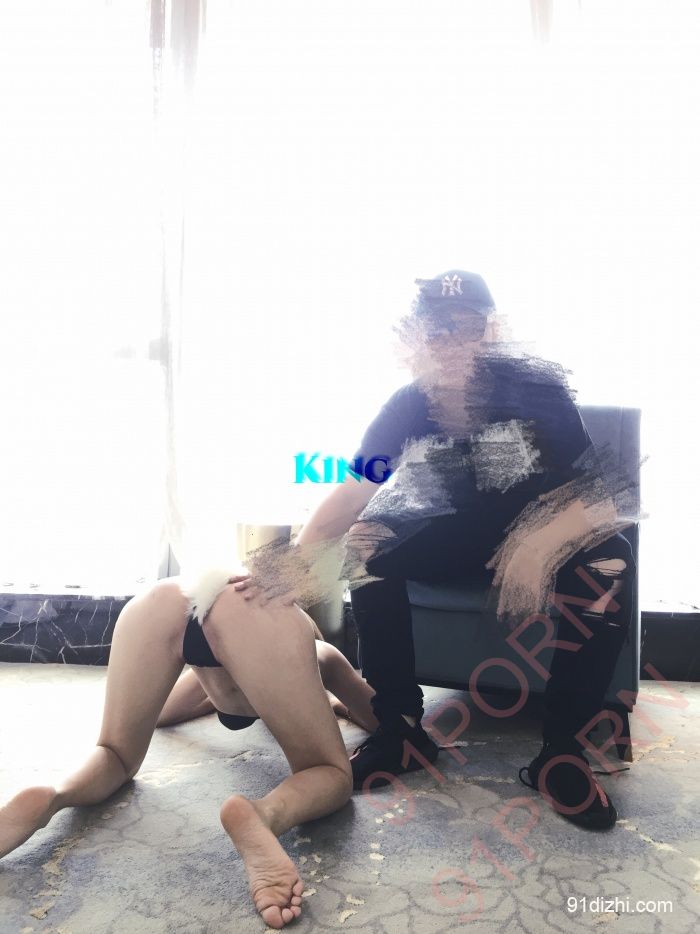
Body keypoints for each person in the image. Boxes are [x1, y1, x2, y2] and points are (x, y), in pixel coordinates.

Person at [236, 269, 637, 831]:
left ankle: (562, 752)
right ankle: (402, 731)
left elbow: (591, 498)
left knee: (610, 558)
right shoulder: (409, 403)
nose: (452, 342)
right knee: (366, 547)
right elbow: (352, 492)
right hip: (458, 534)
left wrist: (538, 547)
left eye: (466, 327)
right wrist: (288, 569)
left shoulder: (540, 391)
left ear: (491, 332)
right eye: (438, 330)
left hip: (541, 533)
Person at [0, 573, 377, 930]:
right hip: (256, 621)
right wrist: (334, 704)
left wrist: (219, 679)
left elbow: (160, 713)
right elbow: (381, 718)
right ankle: (261, 815)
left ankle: (54, 795)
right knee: (331, 772)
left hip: (163, 600)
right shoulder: (318, 650)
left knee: (115, 752)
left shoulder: (212, 662)